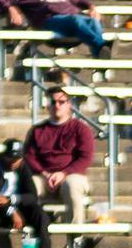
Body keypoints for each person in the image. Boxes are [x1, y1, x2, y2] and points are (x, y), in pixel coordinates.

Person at [25, 87, 95, 234]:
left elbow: (85, 158)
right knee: (29, 184)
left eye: (61, 101)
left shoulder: (81, 129)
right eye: (53, 101)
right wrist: (45, 174)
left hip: (71, 175)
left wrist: (64, 173)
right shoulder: (37, 130)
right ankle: (30, 229)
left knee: (72, 184)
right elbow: (29, 156)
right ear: (47, 105)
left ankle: (76, 234)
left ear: (69, 104)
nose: (57, 105)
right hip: (44, 177)